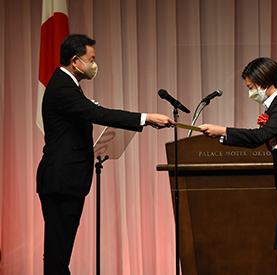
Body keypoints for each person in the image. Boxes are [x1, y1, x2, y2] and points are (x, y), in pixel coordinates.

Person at [36, 34, 175, 274]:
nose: (94, 65)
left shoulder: (69, 85)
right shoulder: (62, 87)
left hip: (66, 180)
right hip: (61, 180)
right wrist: (146, 118)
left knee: (60, 253)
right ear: (76, 60)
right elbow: (99, 115)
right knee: (58, 255)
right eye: (91, 59)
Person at [200, 57, 277, 275]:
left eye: (251, 87)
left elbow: (259, 136)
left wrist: (223, 132)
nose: (251, 93)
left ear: (263, 81)